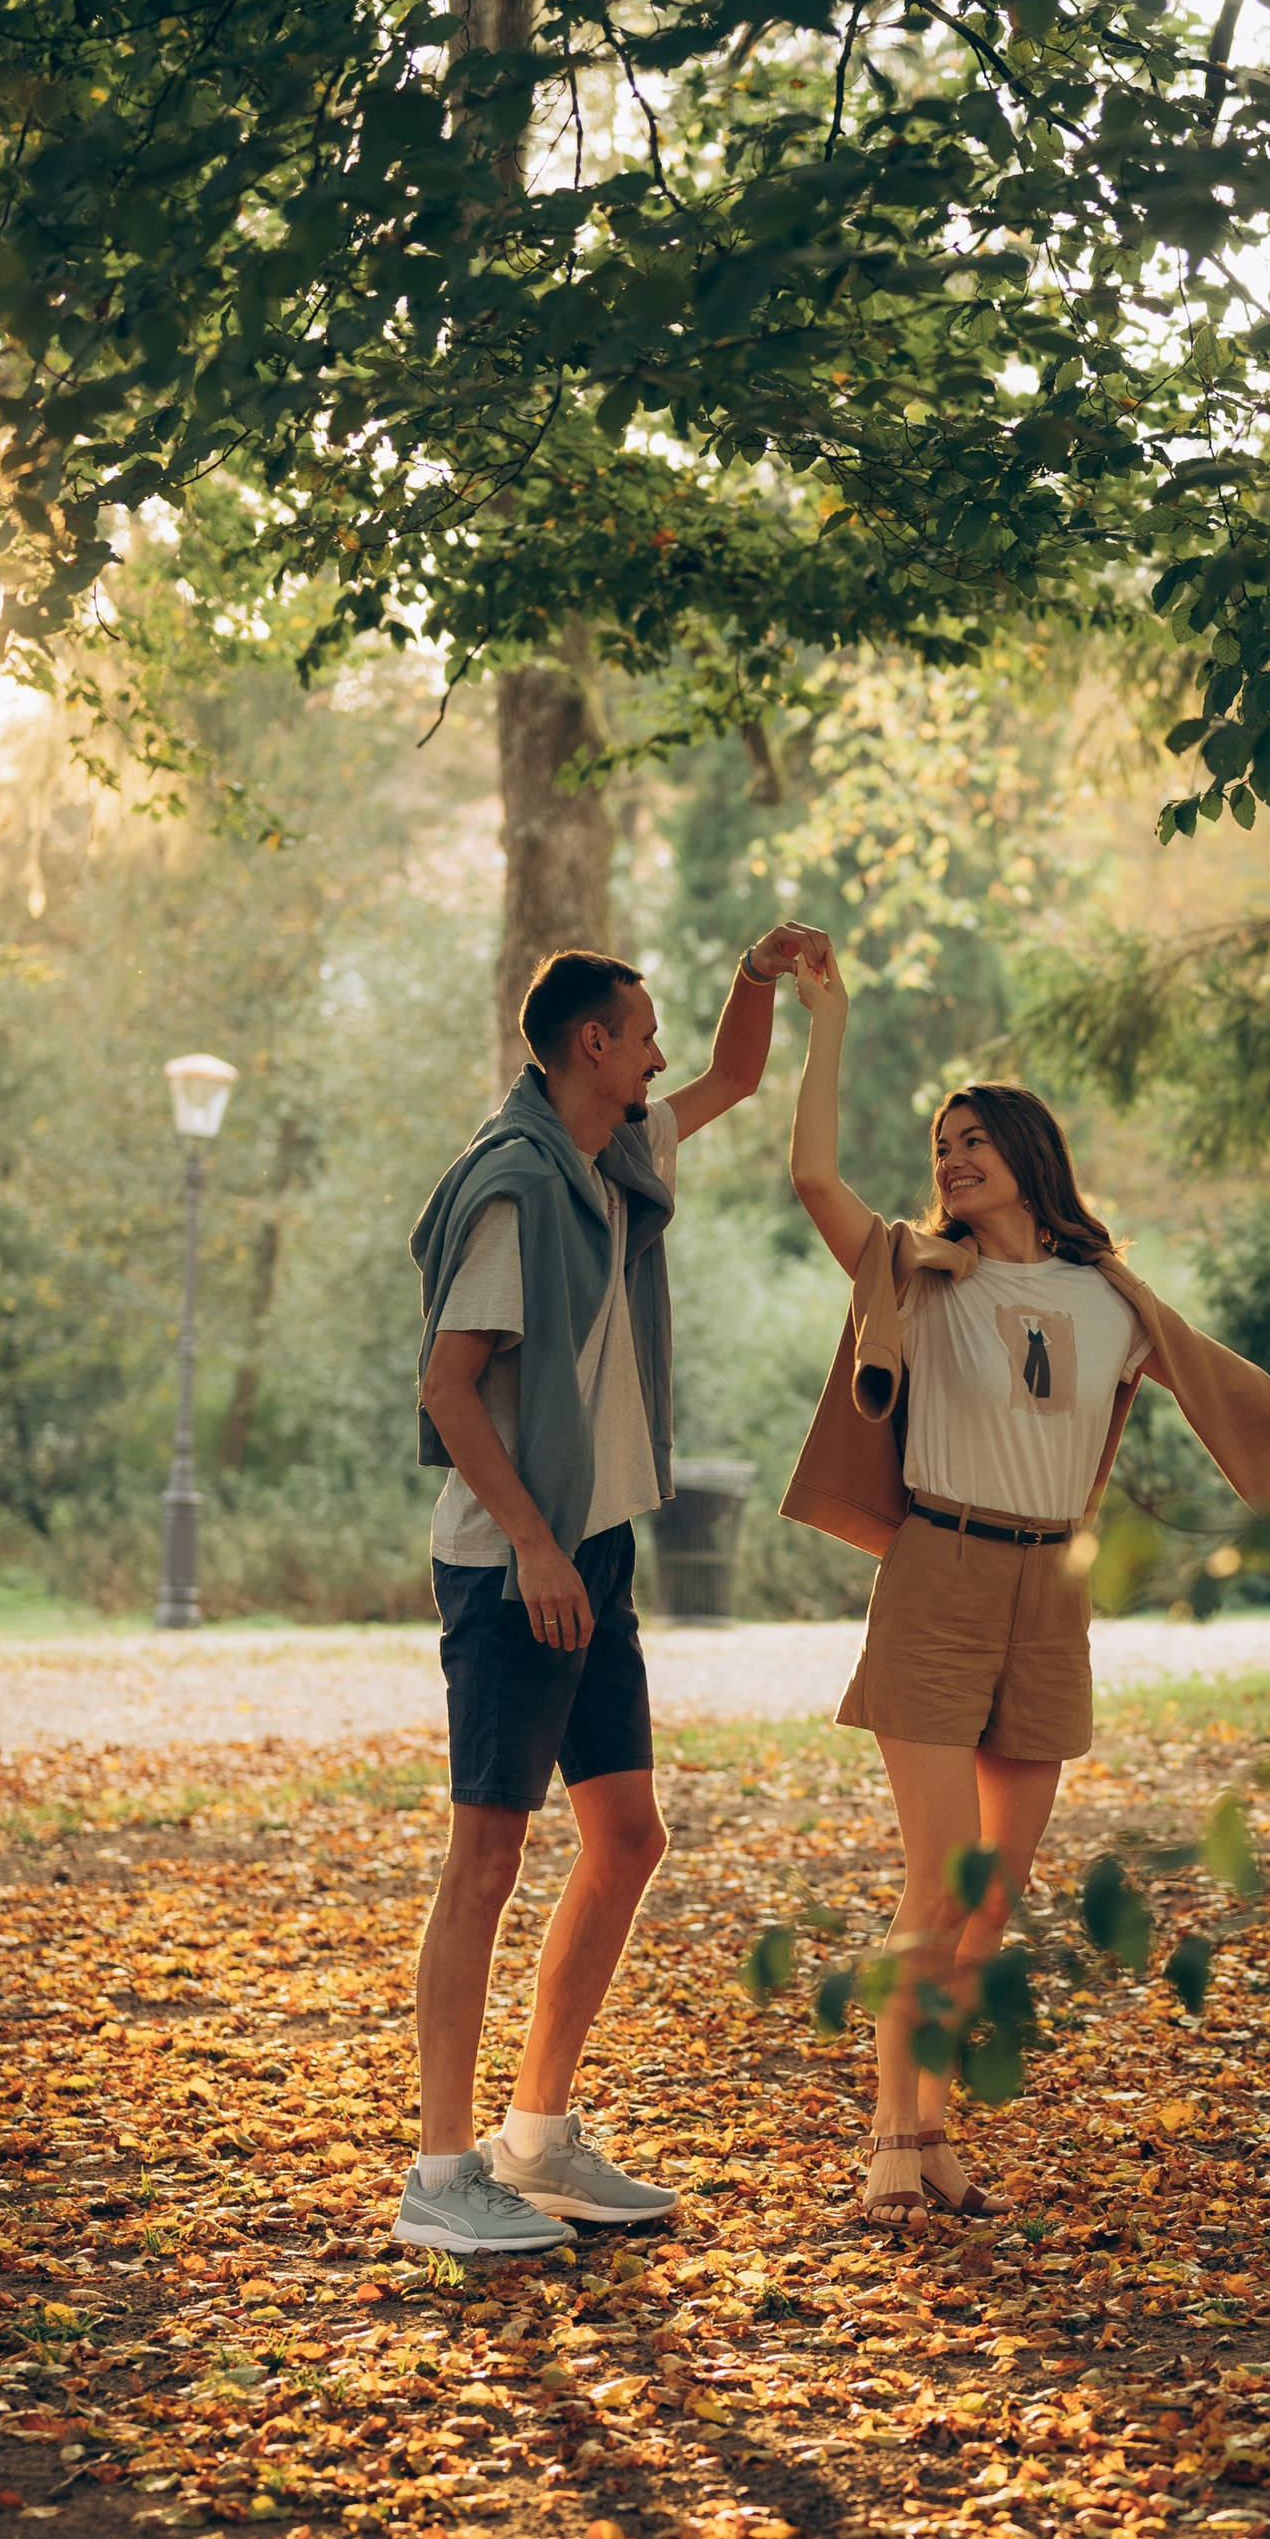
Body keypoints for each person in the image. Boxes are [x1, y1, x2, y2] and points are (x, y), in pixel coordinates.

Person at [777, 945, 1270, 2222]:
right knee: (938, 1878)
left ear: (1031, 1155)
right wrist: (826, 1017)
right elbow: (813, 1174)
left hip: (1050, 1593)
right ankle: (895, 2130)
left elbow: (1251, 1395)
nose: (951, 1158)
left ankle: (933, 2131)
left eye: (976, 1137)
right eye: (942, 1142)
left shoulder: (1111, 1301)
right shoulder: (916, 1272)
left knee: (995, 1892)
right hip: (938, 1573)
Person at [398, 926, 828, 2255]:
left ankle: (537, 2140)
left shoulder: (611, 1159)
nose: (659, 1056)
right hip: (512, 1557)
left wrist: (758, 978)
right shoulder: (520, 1189)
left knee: (629, 1837)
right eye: (642, 1034)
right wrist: (531, 1543)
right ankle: (440, 2173)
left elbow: (736, 1079)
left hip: (593, 1549)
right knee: (487, 1860)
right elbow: (448, 1384)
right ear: (593, 1045)